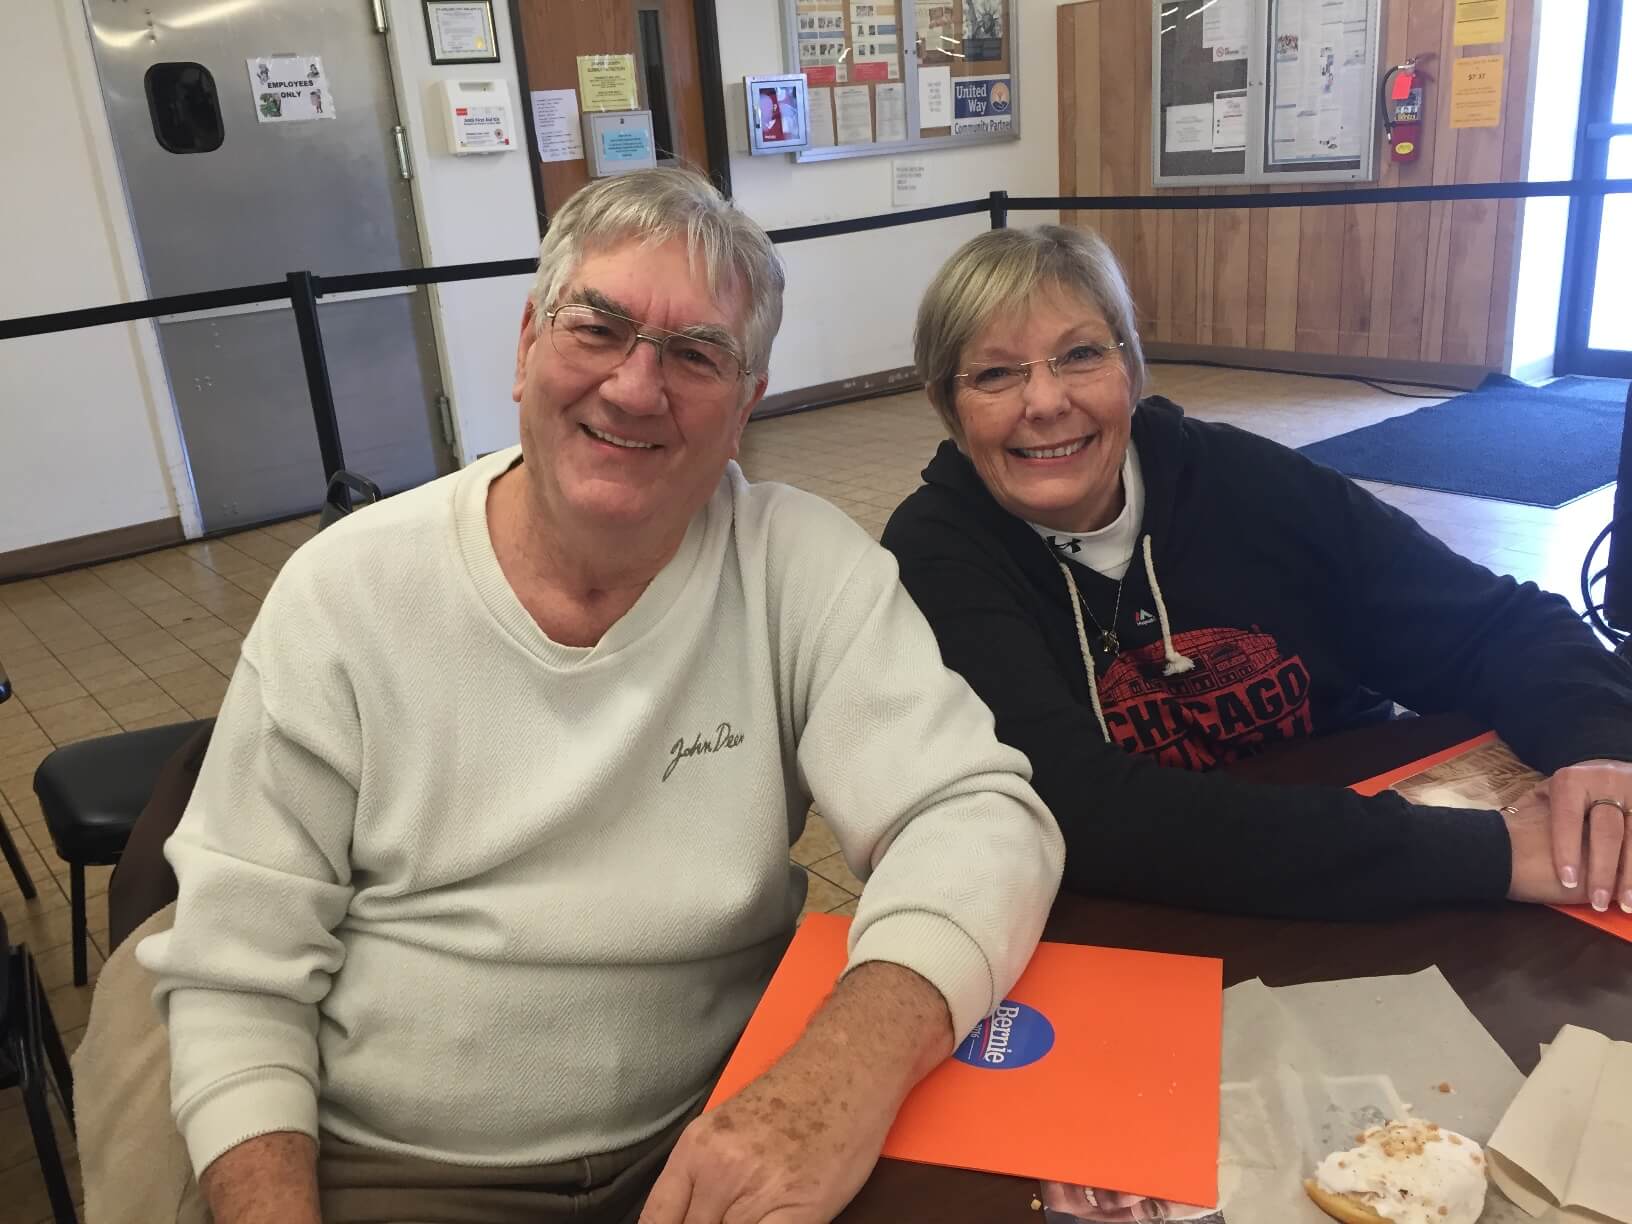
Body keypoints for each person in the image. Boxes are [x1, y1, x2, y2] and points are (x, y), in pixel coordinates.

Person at [74, 169, 1063, 1224]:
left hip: (715, 1122)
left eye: (696, 354)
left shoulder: (798, 566)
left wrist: (842, 1073)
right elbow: (239, 974)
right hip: (395, 1167)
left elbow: (977, 815)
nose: (638, 388)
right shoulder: (351, 591)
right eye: (599, 329)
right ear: (525, 346)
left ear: (745, 406)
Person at [882, 223, 1632, 922]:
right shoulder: (938, 552)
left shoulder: (1250, 483)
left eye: (1081, 355)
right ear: (948, 405)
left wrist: (1599, 748)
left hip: (1370, 879)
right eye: (995, 373)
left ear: (1131, 367)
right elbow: (1080, 810)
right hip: (1152, 924)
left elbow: (1493, 625)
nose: (1045, 402)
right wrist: (1493, 853)